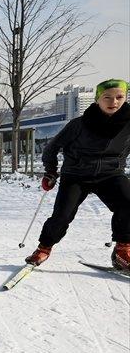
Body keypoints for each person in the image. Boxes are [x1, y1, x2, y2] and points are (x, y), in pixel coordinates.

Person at [24, 79, 130, 269]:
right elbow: (52, 148)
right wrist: (50, 171)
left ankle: (122, 249)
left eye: (119, 97)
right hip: (76, 175)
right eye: (107, 97)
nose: (113, 102)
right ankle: (44, 247)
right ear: (98, 99)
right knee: (62, 215)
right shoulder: (79, 124)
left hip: (110, 174)